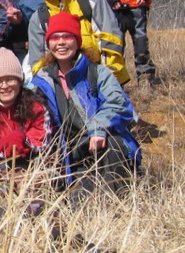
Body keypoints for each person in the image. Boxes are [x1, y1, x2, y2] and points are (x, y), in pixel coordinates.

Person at [31, 12, 140, 195]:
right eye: (55, 38)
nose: (61, 43)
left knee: (114, 144)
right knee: (80, 201)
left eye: (67, 36)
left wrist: (98, 127)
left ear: (78, 41)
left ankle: (120, 197)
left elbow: (119, 105)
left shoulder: (97, 72)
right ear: (48, 43)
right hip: (70, 157)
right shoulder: (42, 81)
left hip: (101, 149)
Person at [28, 0, 130, 85]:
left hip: (101, 77)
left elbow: (111, 39)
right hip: (61, 86)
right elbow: (38, 63)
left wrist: (108, 80)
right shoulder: (38, 18)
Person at [0, 48, 50, 168]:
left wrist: (23, 141)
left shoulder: (37, 108)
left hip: (32, 162)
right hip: (0, 166)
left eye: (10, 80)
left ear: (20, 81)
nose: (4, 86)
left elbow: (41, 144)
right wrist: (6, 144)